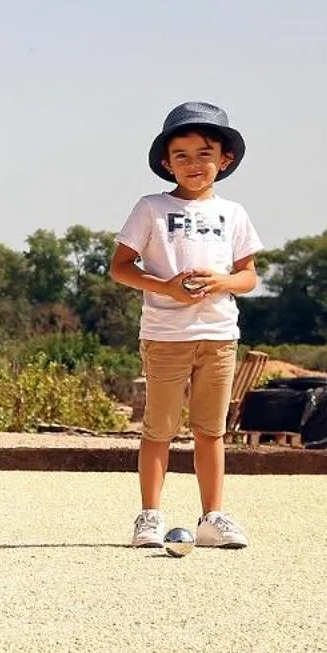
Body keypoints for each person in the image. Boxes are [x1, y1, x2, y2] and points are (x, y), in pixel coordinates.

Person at [109, 101, 264, 550]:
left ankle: (212, 517)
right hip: (165, 334)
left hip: (219, 335)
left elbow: (248, 276)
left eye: (204, 154)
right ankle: (149, 516)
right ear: (166, 162)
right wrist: (167, 288)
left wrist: (222, 282)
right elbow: (120, 267)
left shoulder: (234, 213)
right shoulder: (151, 208)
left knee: (211, 431)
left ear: (224, 159)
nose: (194, 164)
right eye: (182, 155)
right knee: (158, 429)